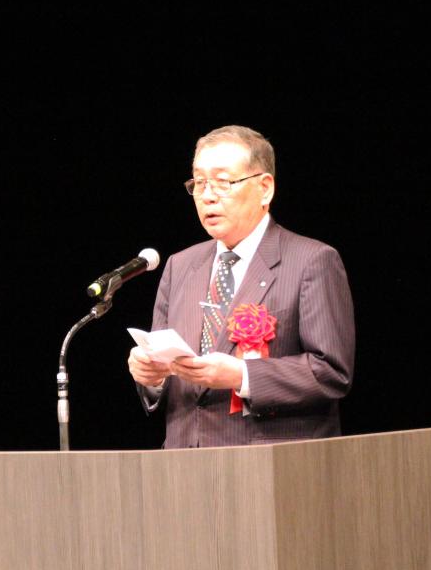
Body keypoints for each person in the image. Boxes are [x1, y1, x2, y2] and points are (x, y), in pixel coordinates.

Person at [128, 125, 355, 447]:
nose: (207, 196)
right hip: (182, 468)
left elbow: (331, 373)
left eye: (222, 182)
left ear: (264, 188)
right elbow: (167, 376)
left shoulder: (312, 261)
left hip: (268, 467)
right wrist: (152, 375)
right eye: (200, 182)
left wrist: (242, 375)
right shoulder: (180, 266)